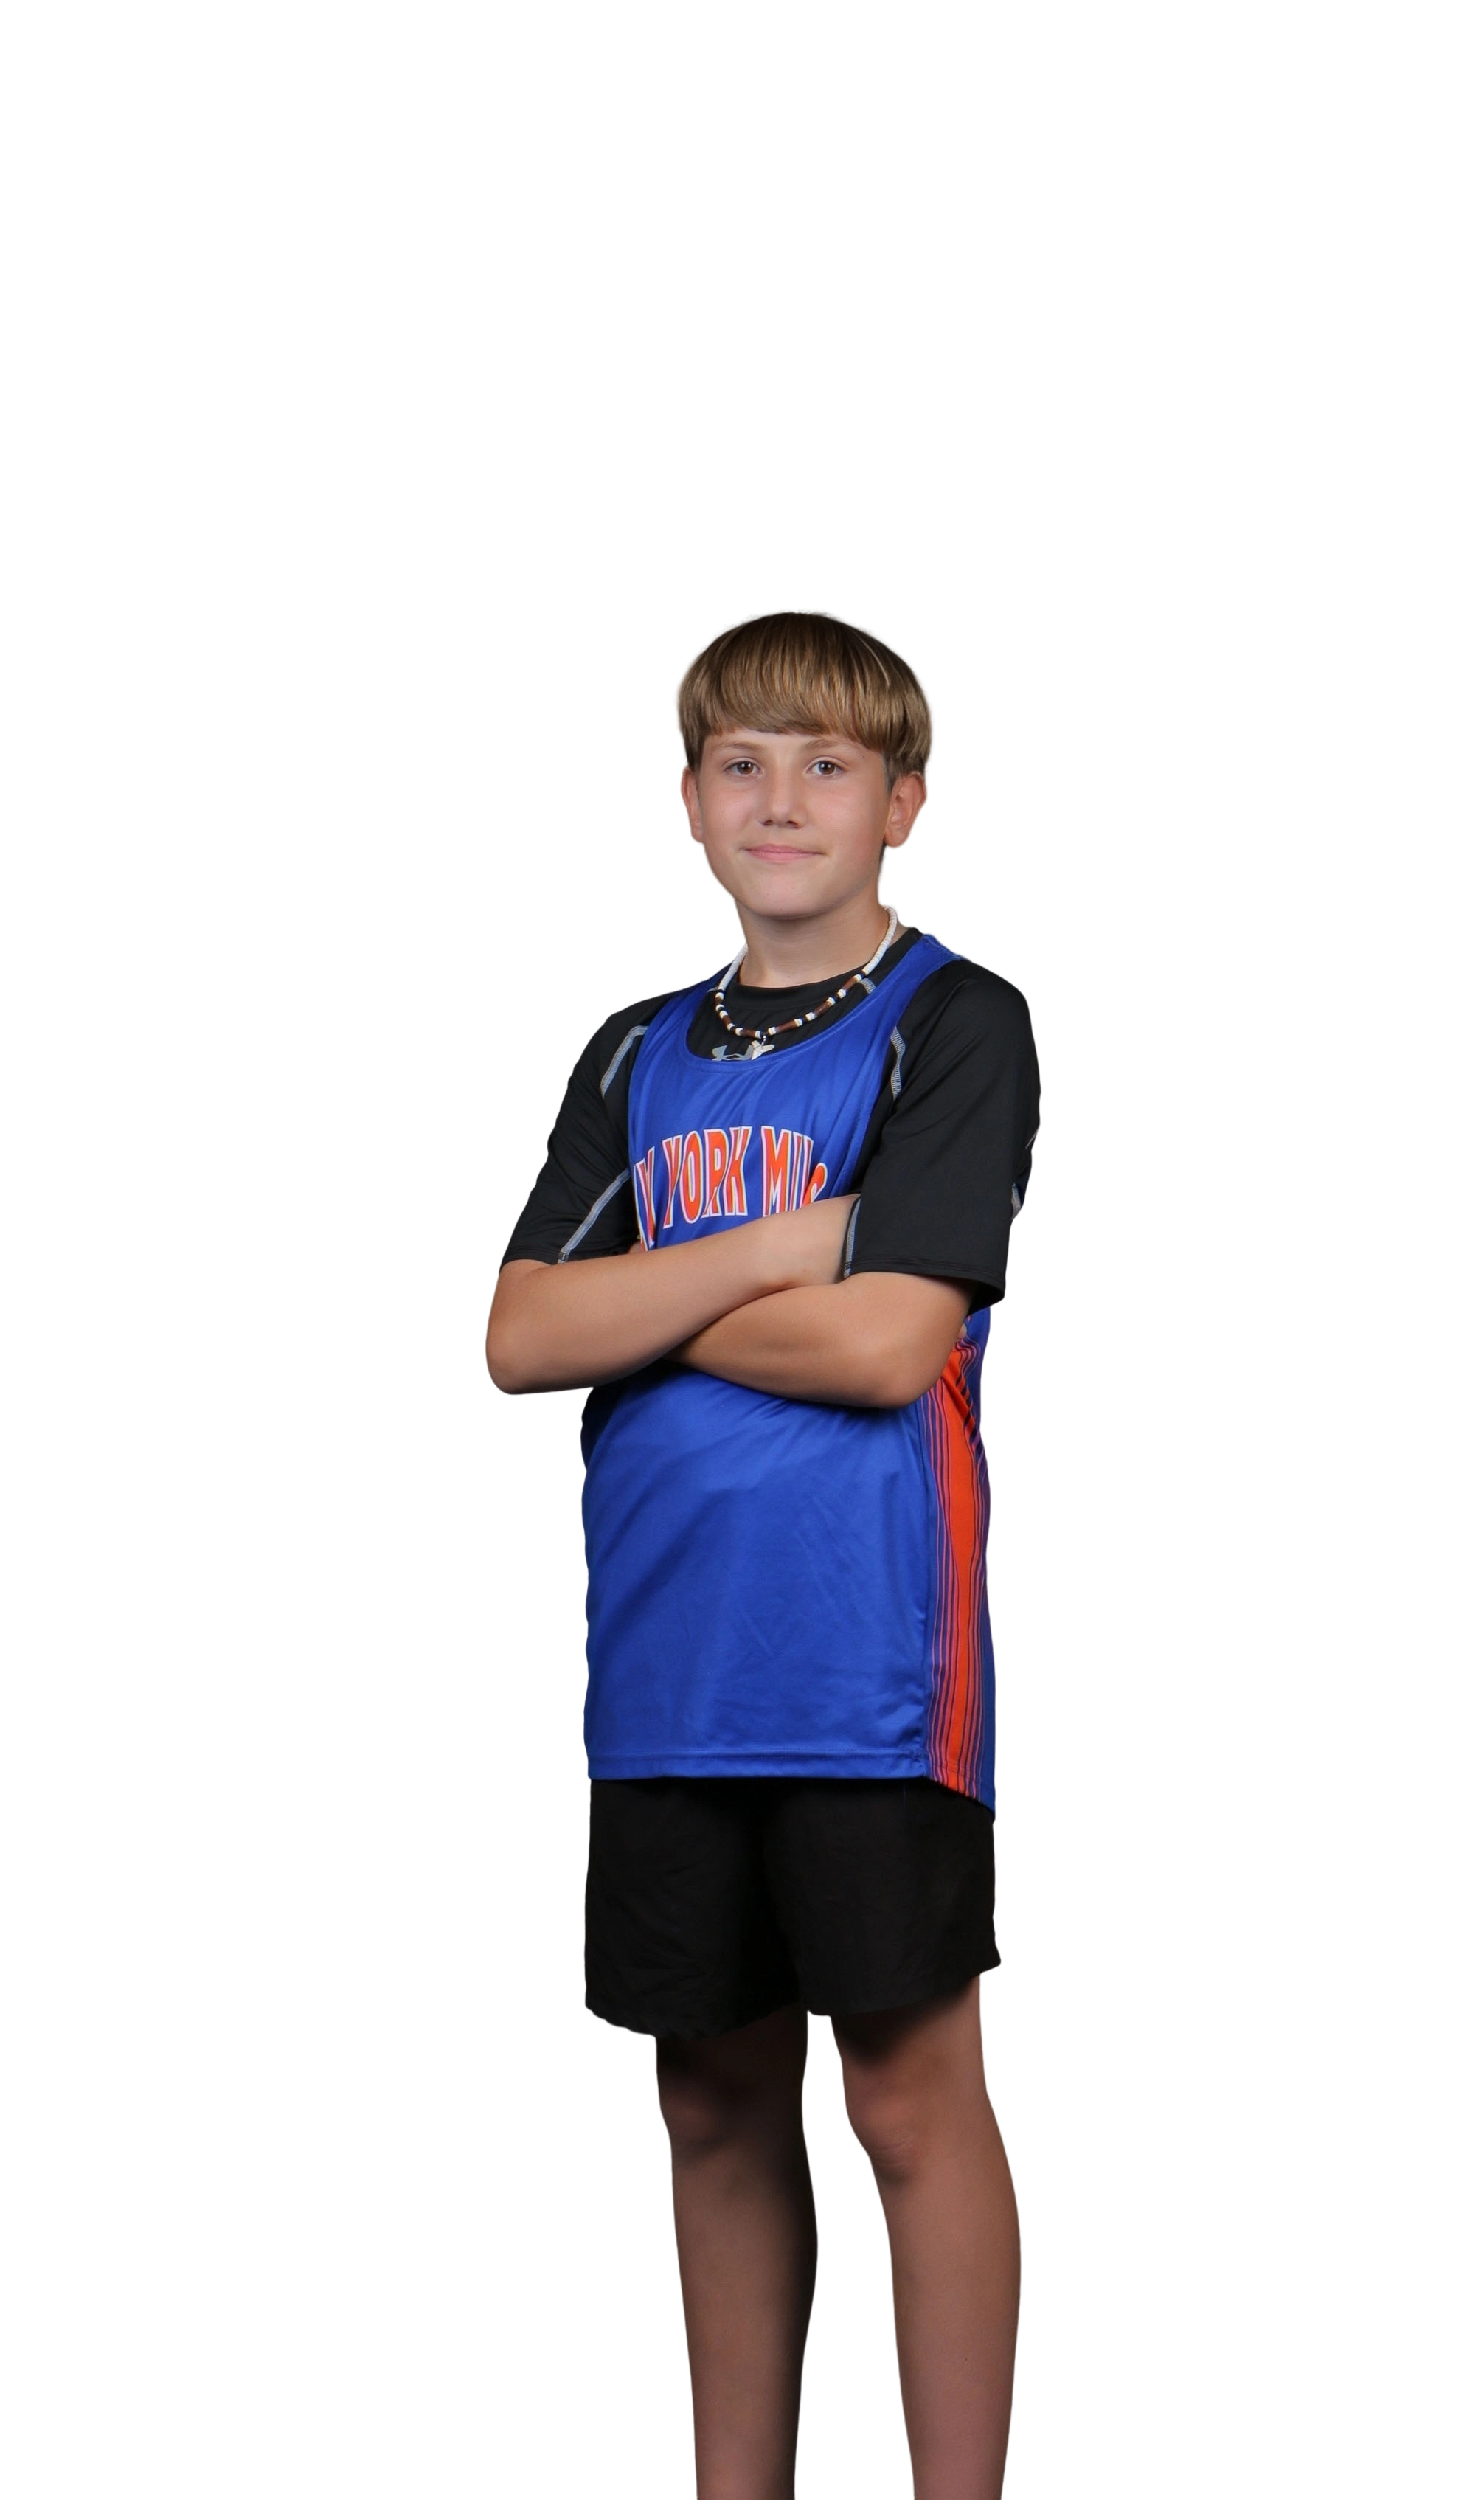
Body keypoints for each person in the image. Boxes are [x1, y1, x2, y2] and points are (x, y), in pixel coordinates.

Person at [485, 606, 1041, 2500]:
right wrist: (782, 1248)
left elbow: (888, 1347)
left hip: (868, 1661)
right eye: (739, 762)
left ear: (905, 805)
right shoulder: (631, 1050)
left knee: (906, 2095)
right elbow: (514, 1336)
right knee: (709, 2096)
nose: (780, 798)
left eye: (827, 763)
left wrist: (635, 1300)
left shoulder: (957, 1021)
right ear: (689, 804)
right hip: (665, 1662)